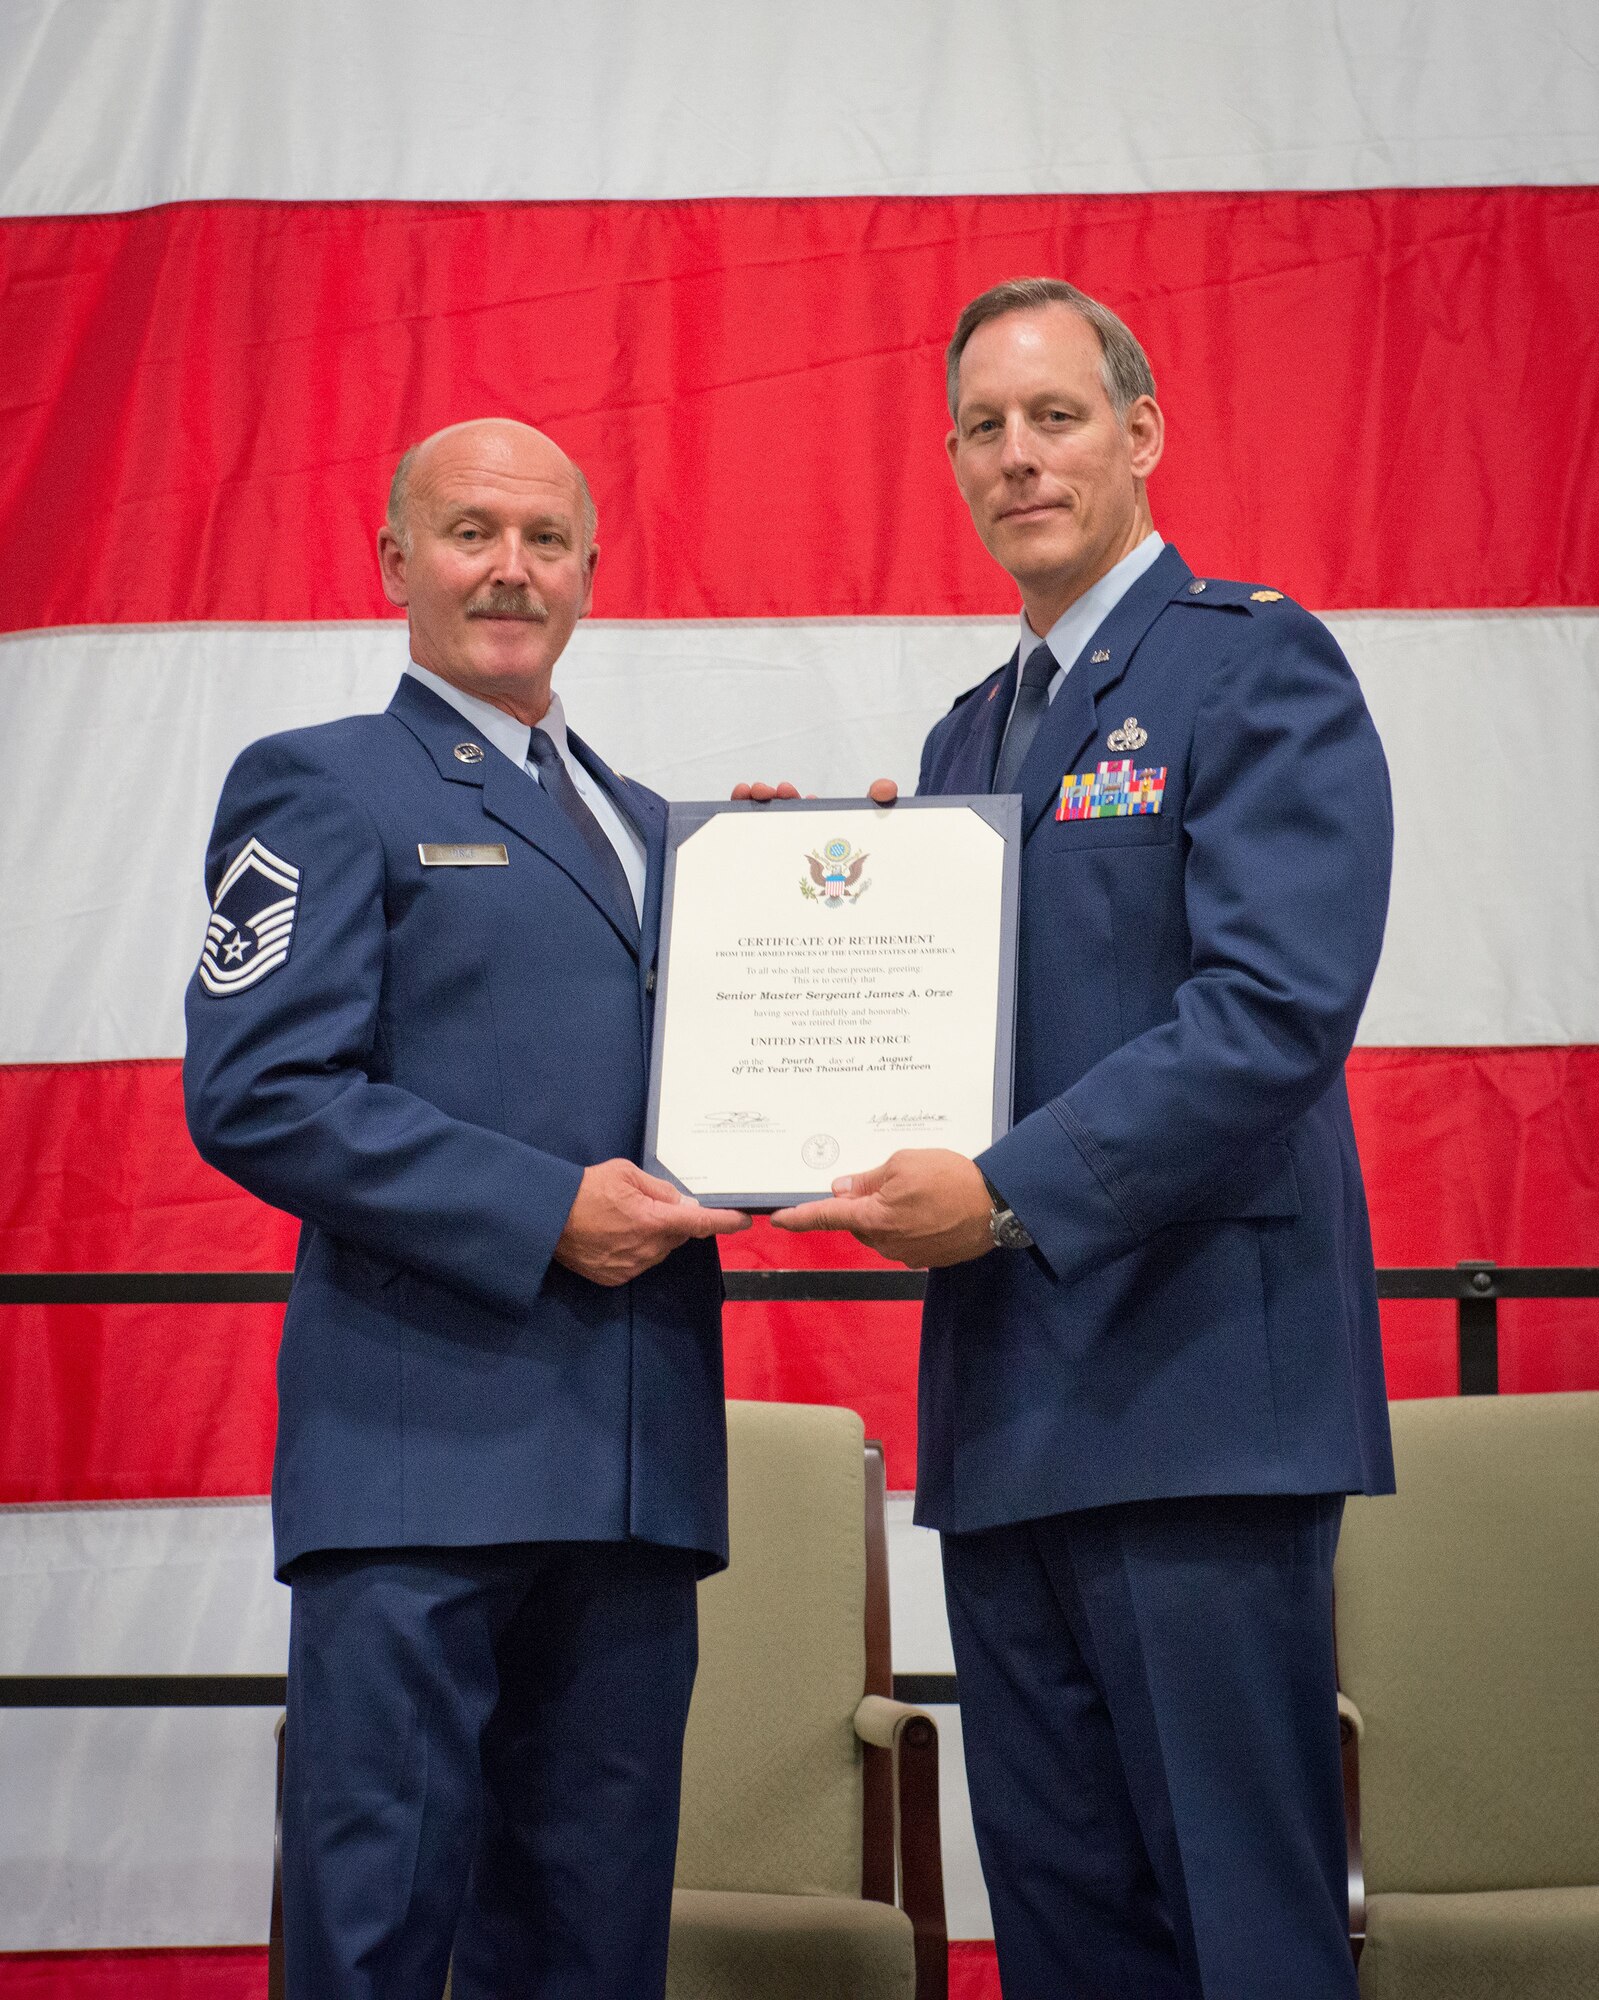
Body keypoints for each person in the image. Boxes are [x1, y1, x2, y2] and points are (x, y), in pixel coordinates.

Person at [759, 280, 1394, 1996]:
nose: (1019, 457)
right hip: (1014, 1407)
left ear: (1141, 432)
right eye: (985, 427)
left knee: (1240, 1925)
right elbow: (965, 1026)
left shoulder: (1253, 660)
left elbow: (1271, 1012)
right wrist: (800, 908)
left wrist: (1009, 1191)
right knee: (1060, 1929)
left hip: (1197, 1400)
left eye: (1053, 417)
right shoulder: (971, 737)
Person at [184, 419, 748, 1999]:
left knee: (591, 1950)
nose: (511, 567)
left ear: (589, 569)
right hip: (420, 1470)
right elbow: (258, 1092)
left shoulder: (648, 826)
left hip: (633, 1482)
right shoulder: (319, 784)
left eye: (546, 538)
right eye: (469, 531)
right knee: (375, 1940)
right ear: (393, 563)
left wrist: (804, 896)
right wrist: (539, 1209)